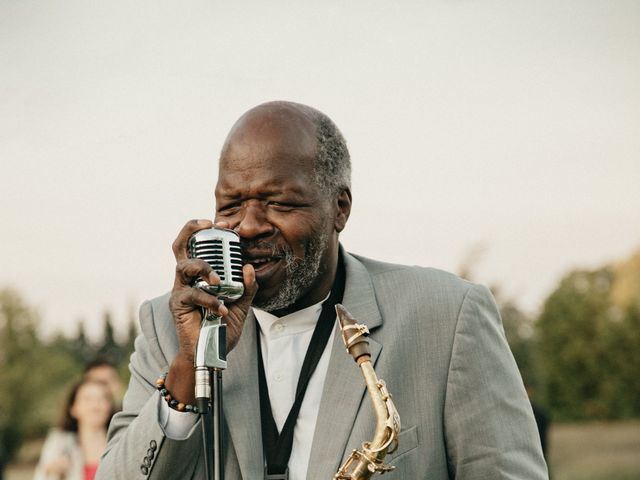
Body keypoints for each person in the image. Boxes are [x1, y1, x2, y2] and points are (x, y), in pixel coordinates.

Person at [96, 101, 548, 479]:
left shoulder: (448, 316)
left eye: (279, 202)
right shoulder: (166, 325)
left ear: (340, 208)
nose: (249, 226)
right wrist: (188, 369)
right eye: (230, 205)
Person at [34, 379, 115, 480]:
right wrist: (50, 472)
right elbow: (40, 475)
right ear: (73, 408)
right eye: (87, 399)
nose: (95, 405)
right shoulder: (59, 442)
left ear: (110, 406)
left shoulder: (119, 443)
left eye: (101, 399)